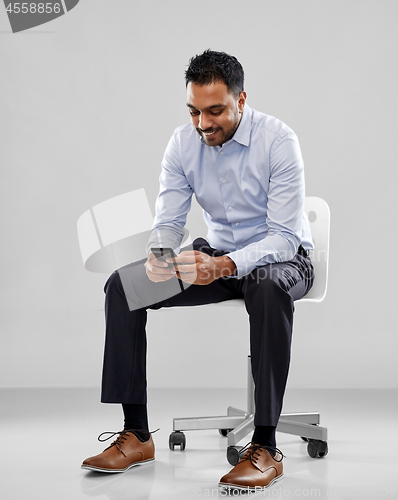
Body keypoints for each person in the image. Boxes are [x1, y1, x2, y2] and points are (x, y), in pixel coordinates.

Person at [81, 49, 314, 492]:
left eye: (215, 111)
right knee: (123, 286)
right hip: (216, 258)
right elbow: (169, 220)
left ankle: (265, 447)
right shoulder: (183, 143)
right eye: (194, 111)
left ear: (241, 101)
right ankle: (136, 434)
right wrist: (160, 253)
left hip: (282, 261)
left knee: (264, 287)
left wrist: (226, 264)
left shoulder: (279, 141)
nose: (203, 124)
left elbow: (284, 236)